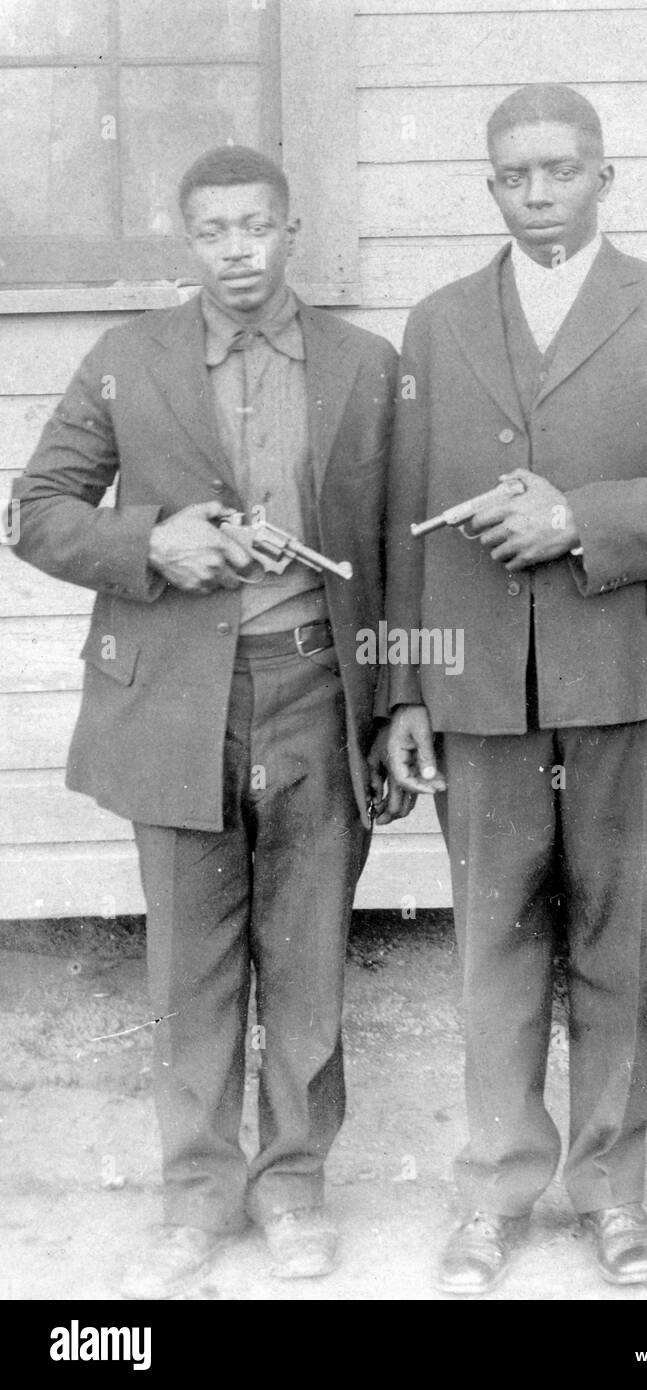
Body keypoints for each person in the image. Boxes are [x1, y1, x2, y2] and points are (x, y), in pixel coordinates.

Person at [384, 85, 647, 1295]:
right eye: (511, 175)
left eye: (558, 169)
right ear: (489, 188)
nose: (535, 193)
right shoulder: (440, 324)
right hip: (481, 688)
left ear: (605, 176)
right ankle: (494, 1190)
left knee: (617, 935)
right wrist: (403, 691)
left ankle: (612, 1192)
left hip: (633, 675)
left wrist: (576, 518)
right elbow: (403, 526)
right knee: (492, 938)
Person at [12, 146, 402, 1297]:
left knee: (309, 957)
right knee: (190, 964)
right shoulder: (127, 360)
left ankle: (292, 1189)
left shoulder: (365, 365)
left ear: (294, 229)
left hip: (317, 692)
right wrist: (152, 544)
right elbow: (35, 514)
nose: (237, 249)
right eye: (214, 230)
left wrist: (400, 698)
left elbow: (398, 560)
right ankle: (196, 1196)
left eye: (257, 226)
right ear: (188, 239)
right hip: (174, 705)